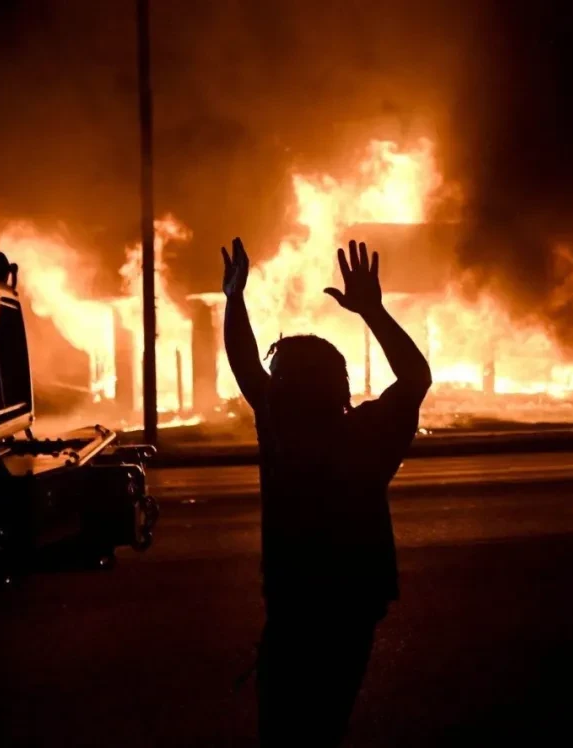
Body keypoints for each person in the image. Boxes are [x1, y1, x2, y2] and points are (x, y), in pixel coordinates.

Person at [221, 237, 431, 746]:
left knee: (285, 730)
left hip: (294, 615)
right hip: (349, 611)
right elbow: (416, 377)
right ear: (342, 388)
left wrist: (234, 299)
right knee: (323, 725)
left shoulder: (279, 430)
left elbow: (245, 364)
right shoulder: (367, 433)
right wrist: (373, 312)